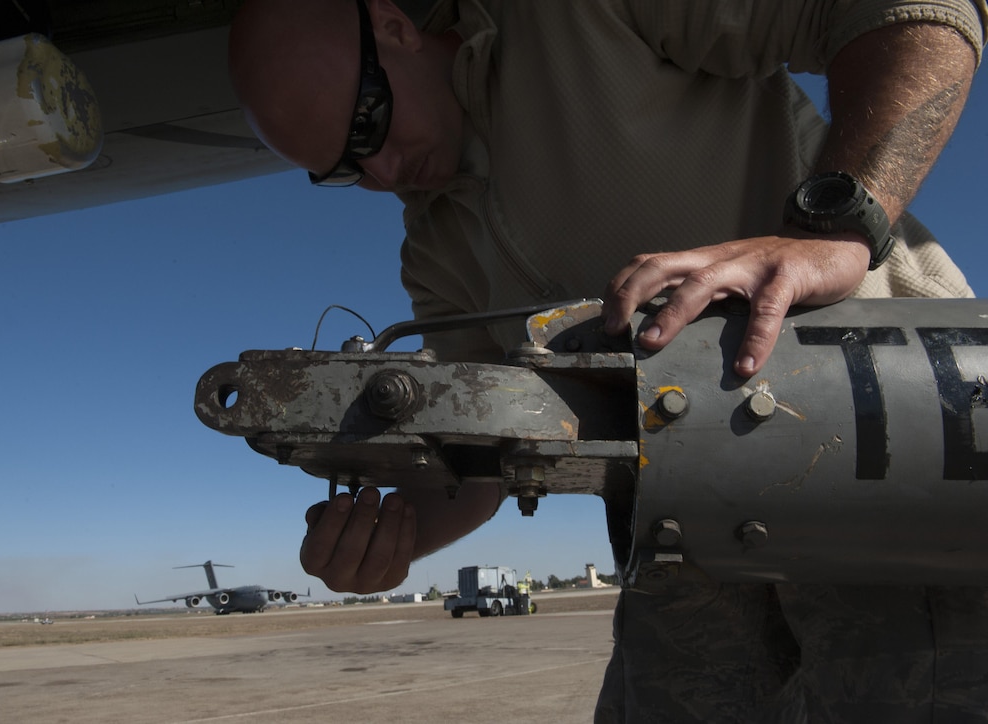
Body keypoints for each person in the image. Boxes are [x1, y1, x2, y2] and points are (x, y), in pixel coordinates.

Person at [229, 1, 988, 720]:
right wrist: (391, 545)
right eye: (344, 169)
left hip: (892, 450)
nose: (385, 171)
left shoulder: (574, 17)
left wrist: (833, 227)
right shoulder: (435, 251)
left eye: (369, 123)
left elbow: (914, 13)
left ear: (393, 25)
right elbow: (479, 473)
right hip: (684, 531)